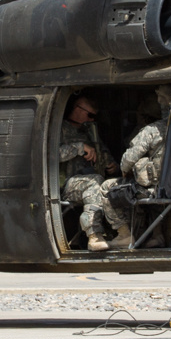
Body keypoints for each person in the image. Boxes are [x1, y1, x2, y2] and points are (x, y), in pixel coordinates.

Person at [98, 86, 171, 248]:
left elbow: (128, 159)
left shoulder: (153, 130)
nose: (159, 100)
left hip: (156, 190)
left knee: (106, 187)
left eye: (161, 97)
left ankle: (124, 235)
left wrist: (124, 170)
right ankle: (157, 235)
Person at [60, 93, 127, 251]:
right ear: (77, 109)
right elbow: (49, 155)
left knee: (117, 186)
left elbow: (104, 151)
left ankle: (124, 233)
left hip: (92, 181)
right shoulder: (59, 129)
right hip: (66, 183)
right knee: (94, 182)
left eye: (94, 116)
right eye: (89, 115)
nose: (91, 119)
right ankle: (94, 236)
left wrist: (112, 165)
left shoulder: (90, 132)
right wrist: (79, 148)